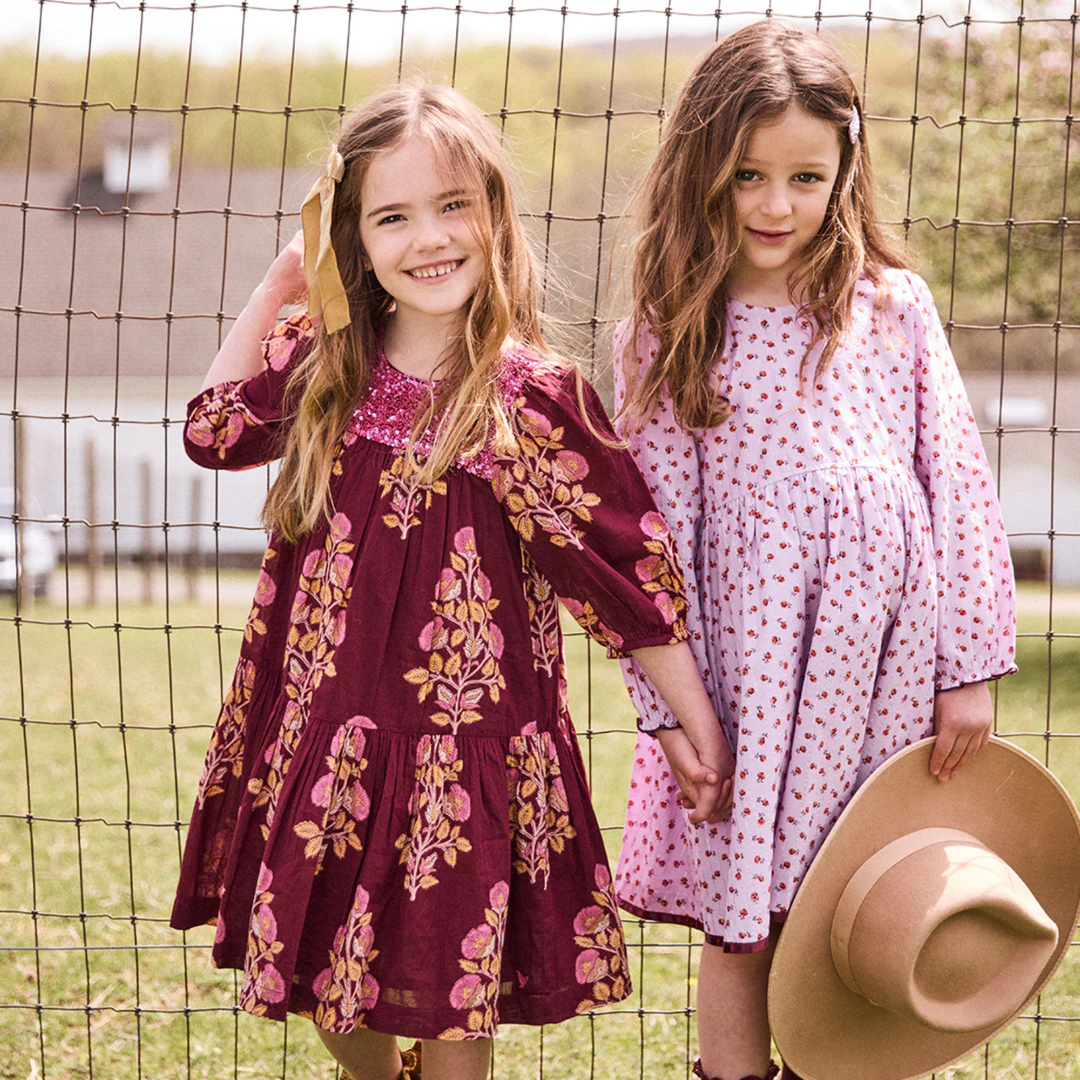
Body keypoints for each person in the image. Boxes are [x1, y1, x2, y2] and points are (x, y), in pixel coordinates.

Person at [169, 83, 733, 1080]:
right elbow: (212, 430)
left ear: (495, 215)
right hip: (332, 748)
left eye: (451, 205)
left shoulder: (535, 402)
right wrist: (277, 294)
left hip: (469, 763)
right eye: (393, 216)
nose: (427, 238)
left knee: (450, 1015)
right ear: (355, 237)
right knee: (341, 1013)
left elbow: (630, 577)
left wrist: (693, 722)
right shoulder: (325, 373)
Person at [611, 21, 1017, 1080]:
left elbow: (958, 485)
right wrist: (676, 714)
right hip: (748, 690)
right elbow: (647, 544)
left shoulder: (890, 309)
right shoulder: (673, 327)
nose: (777, 205)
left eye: (805, 175)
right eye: (747, 176)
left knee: (854, 913)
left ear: (844, 169)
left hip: (882, 679)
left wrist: (967, 669)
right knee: (744, 927)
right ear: (703, 167)